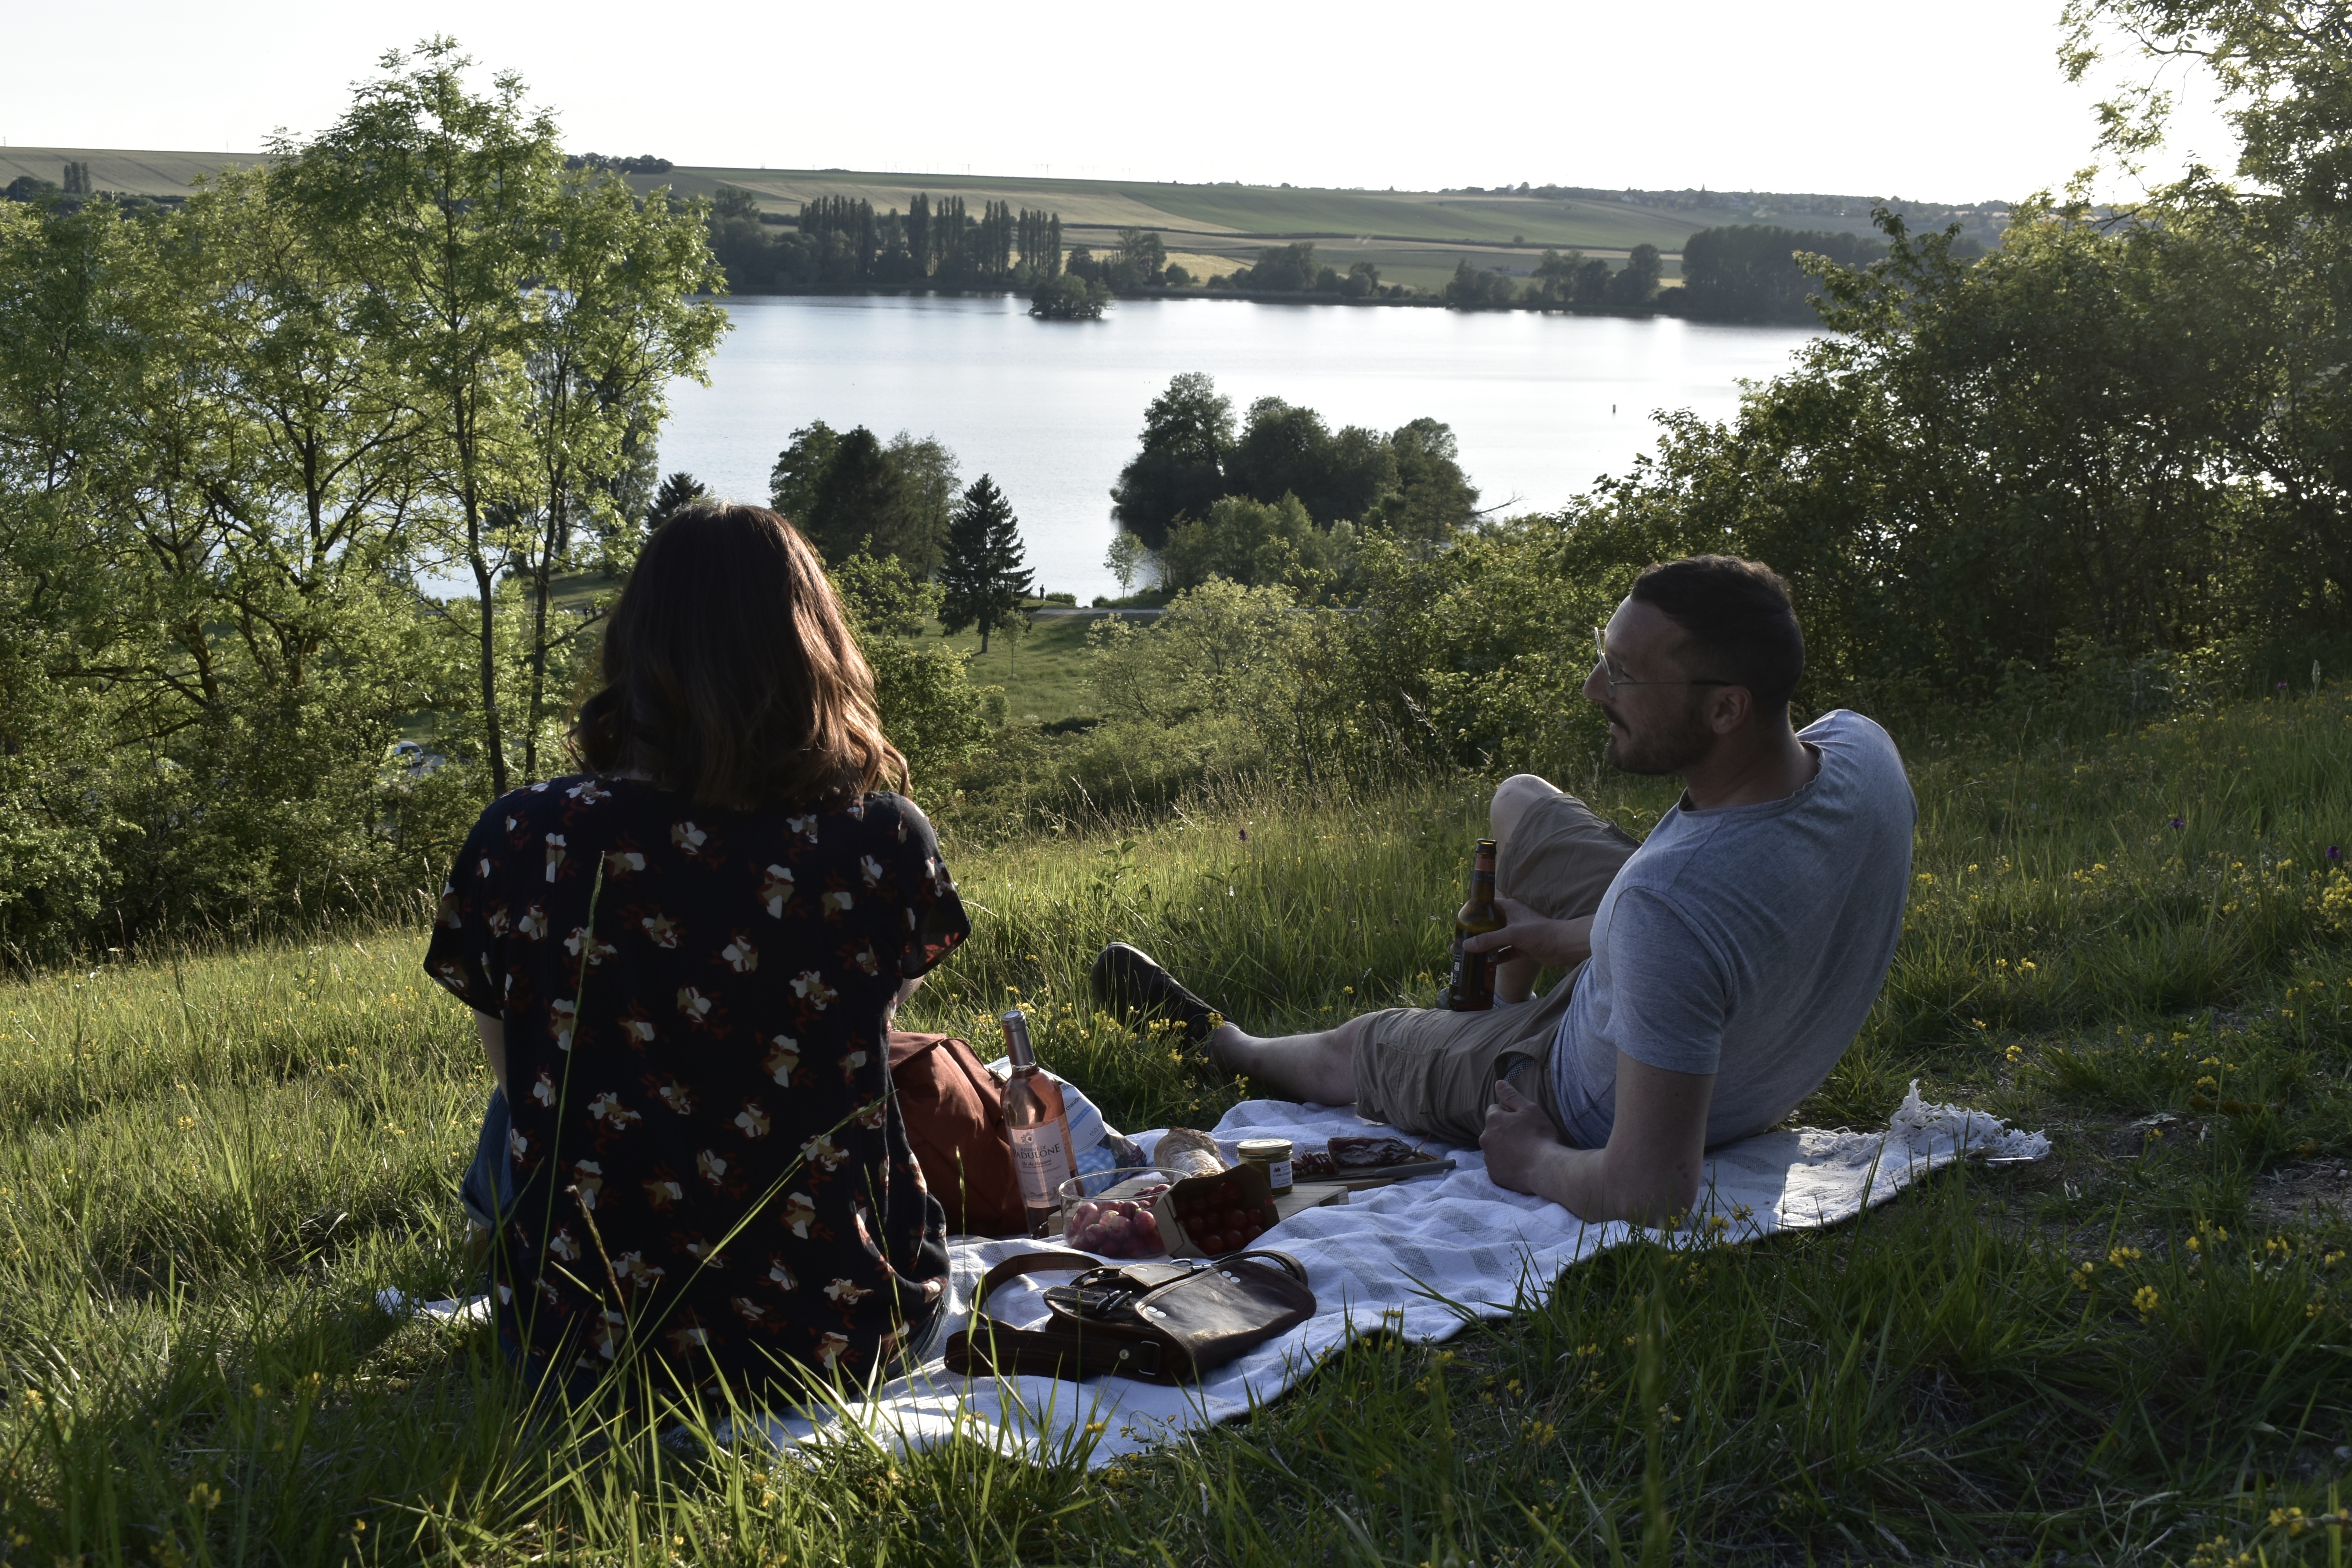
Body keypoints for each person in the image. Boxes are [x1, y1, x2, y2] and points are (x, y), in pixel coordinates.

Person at [1092, 555, 1915, 1226]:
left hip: (1584, 1084)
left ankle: (1226, 1042)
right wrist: (1571, 937)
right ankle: (1486, 1017)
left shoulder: (1671, 908)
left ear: (1729, 707)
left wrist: (1533, 1158)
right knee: (1522, 800)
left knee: (1363, 1043)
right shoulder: (1860, 747)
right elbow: (1724, 926)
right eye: (1605, 652)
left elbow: (1650, 1191)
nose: (1595, 688)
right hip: (1689, 975)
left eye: (1624, 675)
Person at [425, 503, 969, 1403]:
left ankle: (500, 1252)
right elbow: (864, 1038)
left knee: (531, 1081)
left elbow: (519, 1087)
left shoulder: (521, 835)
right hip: (837, 1328)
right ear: (814, 647)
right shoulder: (880, 841)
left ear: (636, 651)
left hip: (586, 1343)